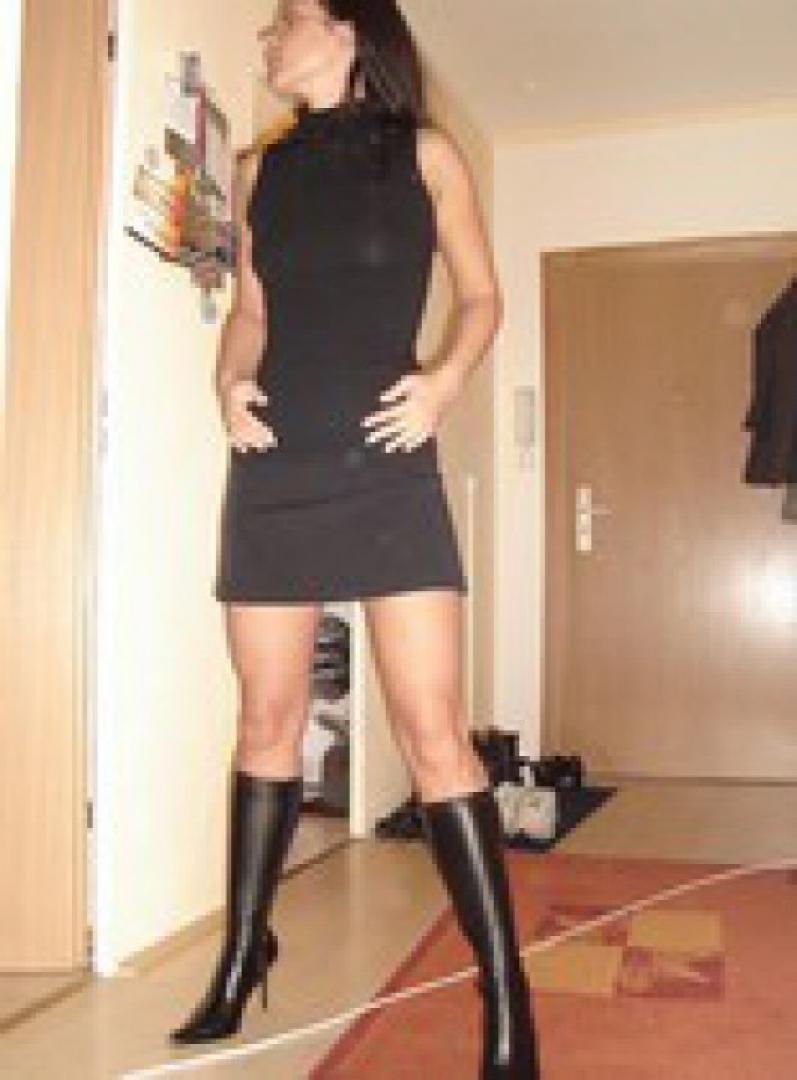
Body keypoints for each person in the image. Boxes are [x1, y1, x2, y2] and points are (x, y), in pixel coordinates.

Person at [169, 1, 540, 1076]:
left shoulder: (425, 155)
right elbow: (252, 312)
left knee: (433, 733)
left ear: (345, 31)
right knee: (266, 717)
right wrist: (228, 384)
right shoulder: (258, 170)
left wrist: (445, 382)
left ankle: (503, 990)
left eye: (284, 19)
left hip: (387, 461)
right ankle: (243, 951)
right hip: (277, 464)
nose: (266, 39)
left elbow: (480, 296)